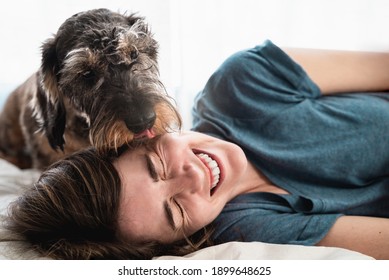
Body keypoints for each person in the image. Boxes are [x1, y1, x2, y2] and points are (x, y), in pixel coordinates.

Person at [4, 40, 389, 260]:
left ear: (144, 135)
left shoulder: (244, 83)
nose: (191, 178)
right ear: (180, 240)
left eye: (156, 166)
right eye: (175, 210)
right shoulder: (248, 228)